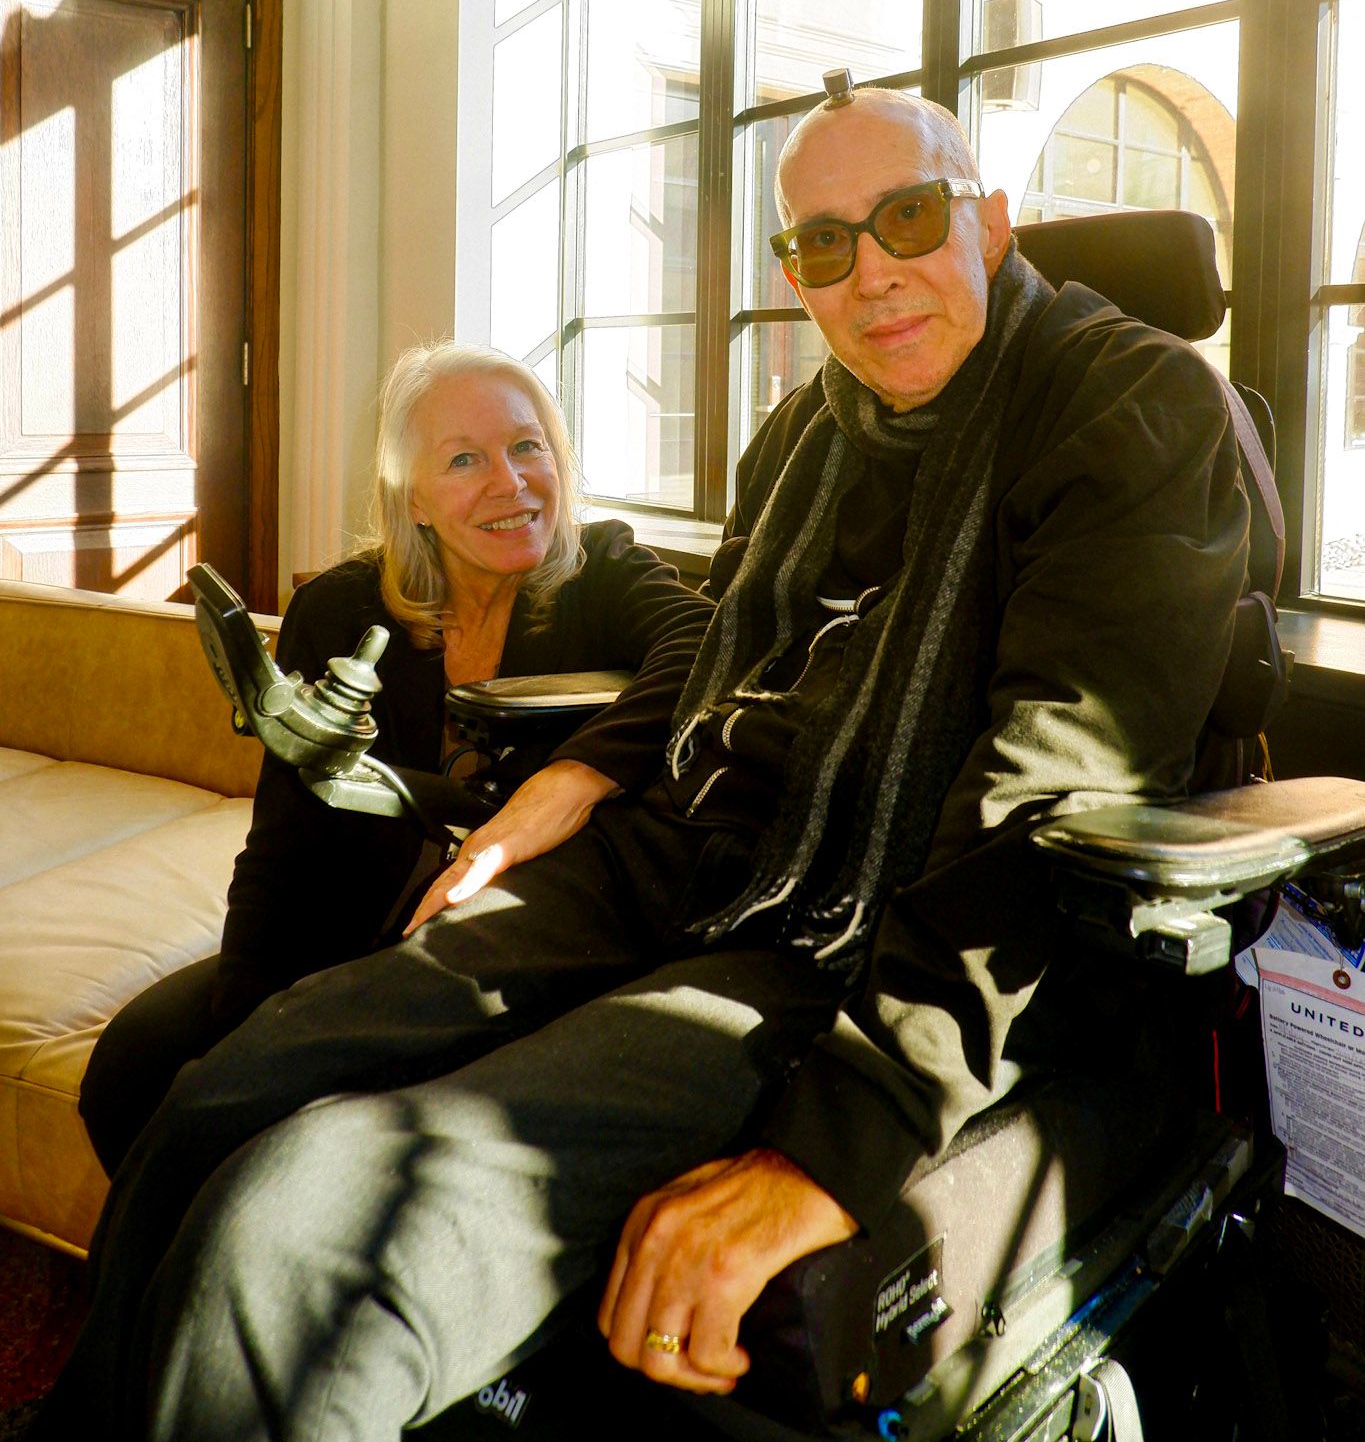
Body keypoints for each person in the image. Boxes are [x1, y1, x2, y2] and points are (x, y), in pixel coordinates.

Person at [35, 89, 1249, 1442]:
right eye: (823, 243)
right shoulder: (806, 435)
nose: (870, 272)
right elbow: (716, 671)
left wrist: (851, 1134)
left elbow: (1050, 790)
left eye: (908, 217)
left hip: (848, 926)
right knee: (223, 1087)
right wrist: (588, 779)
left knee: (303, 1240)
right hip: (684, 860)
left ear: (992, 221)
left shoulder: (1129, 403)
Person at [78, 341, 714, 1176]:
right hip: (351, 935)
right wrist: (246, 1019)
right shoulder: (338, 609)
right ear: (411, 496)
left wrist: (565, 783)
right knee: (134, 1070)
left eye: (526, 446)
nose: (510, 483)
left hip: (507, 955)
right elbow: (284, 849)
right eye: (464, 460)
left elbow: (710, 644)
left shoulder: (604, 575)